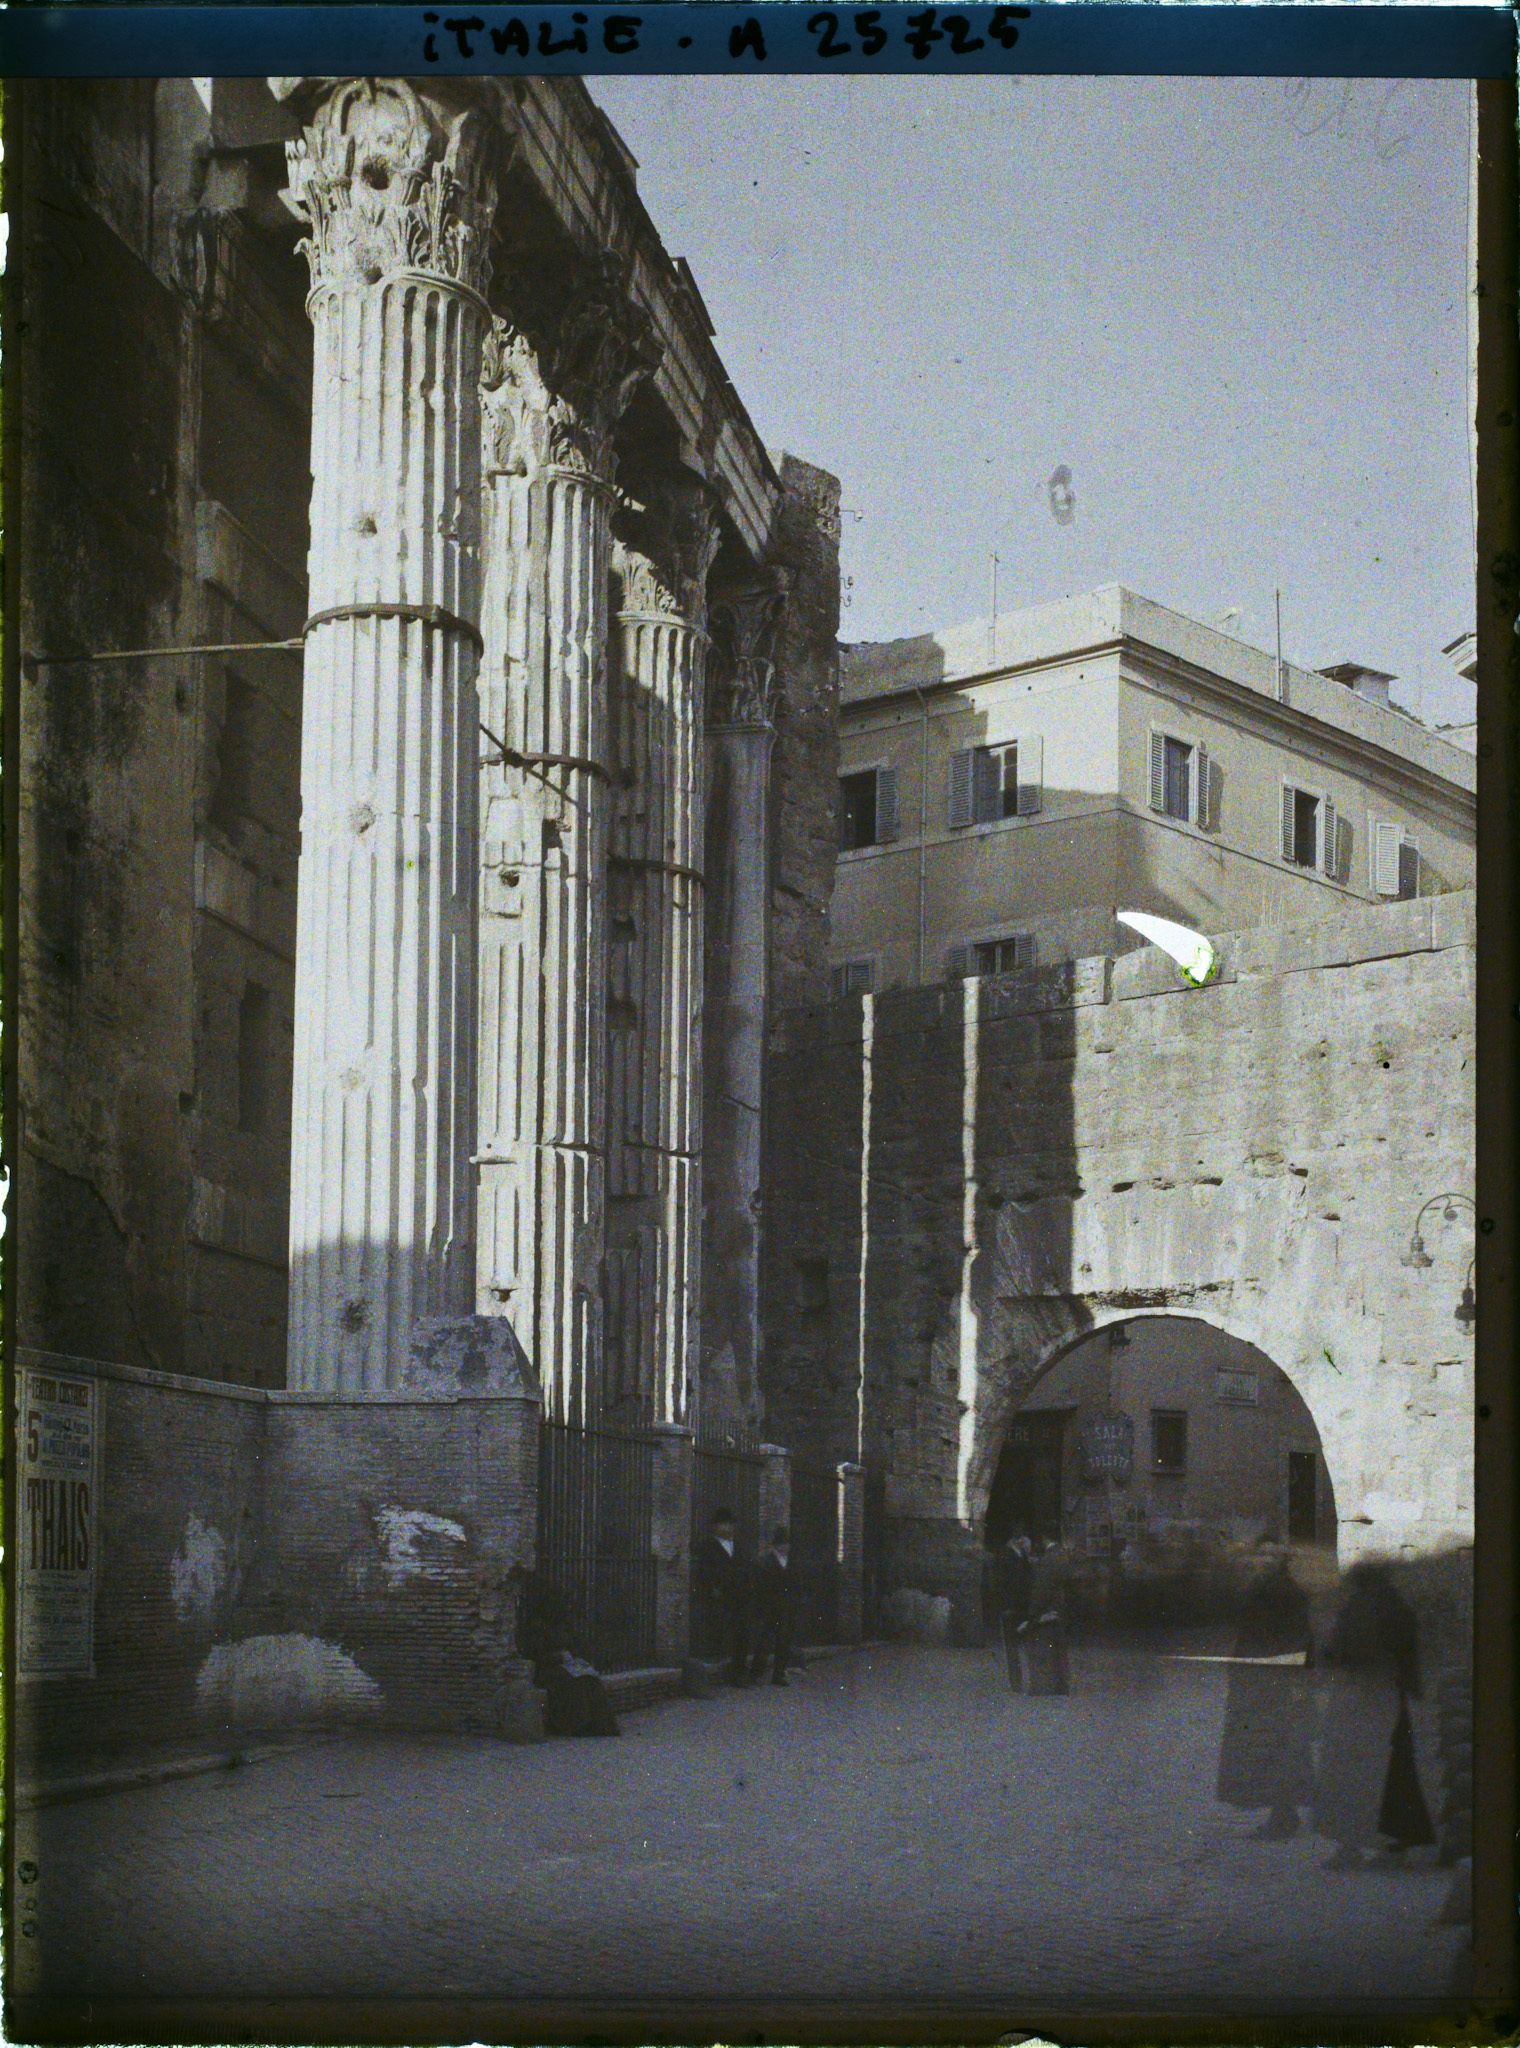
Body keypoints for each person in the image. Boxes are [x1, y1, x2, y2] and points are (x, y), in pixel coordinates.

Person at [1312, 1560, 1434, 1869]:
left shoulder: (1360, 1608)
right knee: (1394, 1772)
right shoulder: (1395, 1606)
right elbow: (1409, 1654)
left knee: (1352, 1771)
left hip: (1360, 1698)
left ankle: (1351, 1847)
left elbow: (1342, 1651)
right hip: (1389, 1698)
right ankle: (1393, 1847)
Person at [1215, 1541, 1314, 1838]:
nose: (1263, 1561)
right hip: (1264, 1677)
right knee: (1274, 1745)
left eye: (1270, 1556)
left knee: (1273, 1745)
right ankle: (1284, 1810)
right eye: (1260, 1554)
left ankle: (1283, 1814)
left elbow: (1294, 1637)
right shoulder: (1266, 1589)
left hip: (1269, 1680)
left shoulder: (1279, 1593)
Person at [518, 1574, 620, 1738]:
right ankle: (577, 1725)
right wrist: (558, 1657)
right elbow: (534, 1654)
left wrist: (577, 1658)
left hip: (567, 1665)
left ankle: (601, 1724)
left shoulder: (562, 1624)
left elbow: (575, 1645)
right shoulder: (536, 1625)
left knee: (591, 1679)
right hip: (546, 1670)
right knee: (572, 1681)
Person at [694, 1506, 752, 1685]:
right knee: (719, 1633)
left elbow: (747, 1569)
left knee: (741, 1634)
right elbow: (703, 1571)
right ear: (716, 1527)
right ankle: (717, 1674)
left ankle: (739, 1673)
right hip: (719, 1597)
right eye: (724, 1525)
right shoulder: (707, 1546)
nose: (728, 1528)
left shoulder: (740, 1547)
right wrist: (713, 1588)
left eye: (730, 1524)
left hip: (740, 1597)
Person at [749, 1525, 798, 1686]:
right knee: (765, 1642)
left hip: (785, 1608)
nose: (786, 1547)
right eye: (783, 1543)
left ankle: (778, 1674)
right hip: (770, 1608)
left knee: (783, 1642)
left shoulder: (791, 1562)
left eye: (788, 1543)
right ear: (776, 1545)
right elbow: (760, 1586)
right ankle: (756, 1674)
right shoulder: (765, 1562)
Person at [1022, 1535, 1071, 1696]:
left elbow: (1042, 1590)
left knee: (1043, 1650)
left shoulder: (1047, 1561)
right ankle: (1061, 1686)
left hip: (1047, 1611)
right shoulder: (1061, 1555)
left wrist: (1032, 1615)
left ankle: (1045, 1687)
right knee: (1058, 1650)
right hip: (1059, 1608)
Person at [993, 1533, 1035, 1692]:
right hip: (1011, 1607)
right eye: (1027, 1544)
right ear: (1018, 1541)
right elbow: (1001, 1584)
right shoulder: (1005, 1556)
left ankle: (1021, 1680)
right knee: (1012, 1646)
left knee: (1020, 1644)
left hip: (1021, 1607)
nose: (1028, 1547)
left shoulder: (1021, 1556)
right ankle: (1015, 1682)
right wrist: (1005, 1606)